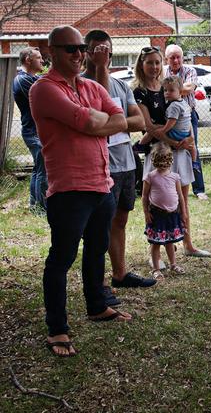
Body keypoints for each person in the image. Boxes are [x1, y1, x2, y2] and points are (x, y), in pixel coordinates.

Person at [30, 25, 132, 357]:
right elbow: (91, 124)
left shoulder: (89, 85)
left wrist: (97, 120)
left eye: (81, 49)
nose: (78, 55)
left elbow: (124, 120)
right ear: (52, 52)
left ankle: (96, 305)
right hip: (69, 189)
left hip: (102, 184)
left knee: (96, 249)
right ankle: (57, 329)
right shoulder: (43, 89)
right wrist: (98, 122)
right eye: (71, 49)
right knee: (61, 259)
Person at [81, 29, 155, 308]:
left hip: (125, 161)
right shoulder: (82, 84)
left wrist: (115, 121)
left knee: (120, 220)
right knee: (99, 226)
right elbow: (99, 114)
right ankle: (98, 284)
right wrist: (99, 69)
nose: (105, 57)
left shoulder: (121, 86)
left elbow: (139, 123)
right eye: (98, 51)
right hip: (102, 165)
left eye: (108, 52)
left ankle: (120, 273)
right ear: (86, 52)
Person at [133, 46, 211, 260]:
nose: (154, 66)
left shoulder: (167, 87)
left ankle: (188, 243)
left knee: (182, 199)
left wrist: (188, 139)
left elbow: (182, 116)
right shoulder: (139, 91)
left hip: (179, 152)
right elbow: (149, 126)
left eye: (157, 62)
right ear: (142, 64)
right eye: (149, 62)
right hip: (158, 154)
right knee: (155, 201)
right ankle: (155, 250)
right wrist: (174, 143)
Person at [164, 45, 208, 200]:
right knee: (169, 149)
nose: (176, 60)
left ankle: (199, 189)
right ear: (166, 59)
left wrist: (169, 90)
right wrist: (174, 90)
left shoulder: (190, 71)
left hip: (188, 116)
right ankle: (170, 186)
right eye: (172, 57)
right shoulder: (163, 71)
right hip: (169, 117)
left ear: (182, 58)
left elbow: (189, 88)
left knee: (191, 147)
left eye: (178, 57)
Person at [142, 142, 188, 280]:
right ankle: (156, 269)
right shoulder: (150, 177)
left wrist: (183, 212)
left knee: (170, 241)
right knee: (155, 243)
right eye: (159, 160)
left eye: (165, 160)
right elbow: (144, 196)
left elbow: (180, 196)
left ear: (170, 160)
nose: (163, 163)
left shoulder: (175, 177)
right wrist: (146, 212)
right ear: (154, 160)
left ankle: (173, 264)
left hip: (172, 214)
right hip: (157, 215)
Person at [12, 47, 47, 212]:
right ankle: (41, 207)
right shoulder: (23, 80)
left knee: (38, 168)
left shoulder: (33, 78)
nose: (42, 61)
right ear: (28, 59)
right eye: (38, 58)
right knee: (44, 169)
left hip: (37, 131)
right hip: (33, 132)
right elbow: (46, 95)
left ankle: (34, 204)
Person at [140, 76, 197, 161]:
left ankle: (141, 144)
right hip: (185, 133)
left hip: (176, 134)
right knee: (192, 146)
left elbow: (171, 122)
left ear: (180, 92)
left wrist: (163, 130)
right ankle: (194, 161)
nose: (167, 93)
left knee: (154, 129)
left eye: (171, 90)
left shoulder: (174, 106)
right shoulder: (184, 103)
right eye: (165, 90)